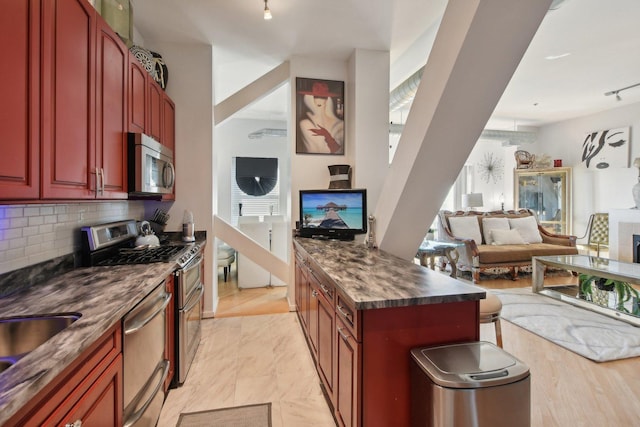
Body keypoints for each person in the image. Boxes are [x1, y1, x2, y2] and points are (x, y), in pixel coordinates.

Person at [297, 81, 344, 154]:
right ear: (311, 99)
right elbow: (314, 150)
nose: (319, 100)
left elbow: (338, 150)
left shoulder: (340, 124)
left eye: (323, 97)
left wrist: (327, 135)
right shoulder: (305, 123)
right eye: (316, 97)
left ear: (327, 99)